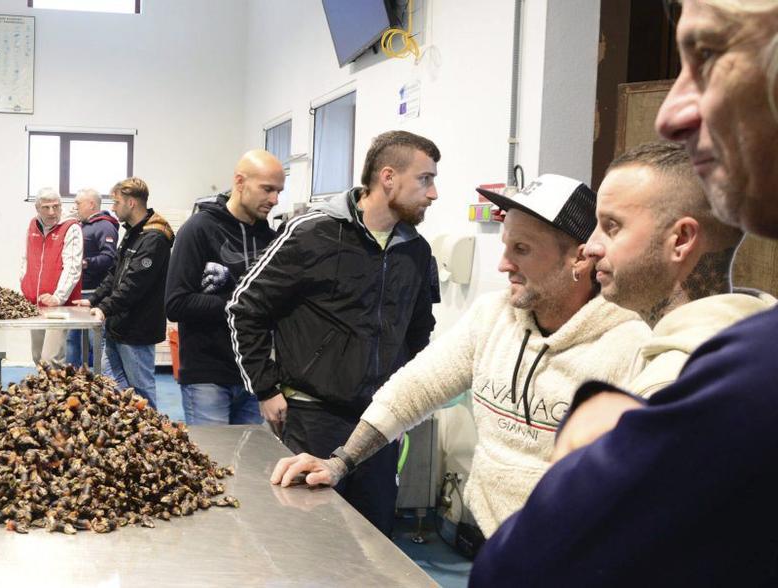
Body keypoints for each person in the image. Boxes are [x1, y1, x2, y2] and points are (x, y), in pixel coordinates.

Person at [471, 1, 778, 584]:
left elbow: (521, 570)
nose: (589, 250)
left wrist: (589, 440)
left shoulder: (723, 382)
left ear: (680, 241)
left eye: (710, 54)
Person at [267, 173, 651, 539]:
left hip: (571, 555)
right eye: (505, 246)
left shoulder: (628, 346)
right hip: (494, 540)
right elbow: (413, 389)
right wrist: (339, 462)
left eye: (521, 249)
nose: (503, 264)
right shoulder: (493, 316)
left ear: (580, 260)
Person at [228, 131, 442, 534]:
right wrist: (265, 387)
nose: (432, 194)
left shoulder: (416, 251)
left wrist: (401, 403)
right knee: (306, 541)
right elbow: (245, 306)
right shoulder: (312, 233)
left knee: (372, 538)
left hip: (377, 424)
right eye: (425, 180)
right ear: (389, 177)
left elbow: (419, 332)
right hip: (312, 416)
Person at [585, 140, 773, 398]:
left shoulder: (671, 390)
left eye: (612, 226)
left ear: (682, 239)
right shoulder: (757, 341)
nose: (590, 247)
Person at [165, 150, 282, 425]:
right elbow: (176, 303)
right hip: (208, 377)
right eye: (267, 189)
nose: (275, 200)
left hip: (255, 378)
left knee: (249, 465)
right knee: (213, 464)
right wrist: (240, 306)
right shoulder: (198, 230)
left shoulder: (271, 239)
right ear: (240, 182)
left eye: (279, 191)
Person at [78, 177, 173, 408]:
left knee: (141, 389)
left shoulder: (154, 238)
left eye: (116, 202)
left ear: (131, 203)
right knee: (112, 384)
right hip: (118, 325)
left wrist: (104, 308)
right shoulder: (132, 233)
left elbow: (134, 286)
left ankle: (152, 437)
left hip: (138, 331)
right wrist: (93, 301)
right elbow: (114, 273)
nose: (112, 207)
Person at [21, 187, 82, 367]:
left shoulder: (71, 228)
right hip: (35, 303)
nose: (52, 212)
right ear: (37, 208)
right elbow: (26, 257)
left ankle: (57, 394)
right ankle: (44, 393)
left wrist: (58, 297)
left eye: (56, 207)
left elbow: (72, 266)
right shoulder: (33, 225)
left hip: (58, 306)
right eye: (46, 207)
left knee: (51, 359)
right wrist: (25, 284)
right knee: (37, 356)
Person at [66, 187, 118, 367]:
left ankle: (93, 381)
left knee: (92, 341)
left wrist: (85, 263)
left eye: (78, 203)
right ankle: (71, 379)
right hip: (76, 294)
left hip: (93, 294)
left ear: (91, 204)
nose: (75, 207)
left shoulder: (105, 226)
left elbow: (110, 258)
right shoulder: (80, 226)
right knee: (72, 340)